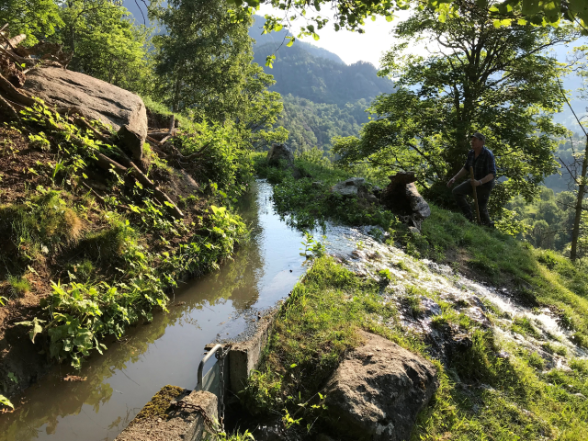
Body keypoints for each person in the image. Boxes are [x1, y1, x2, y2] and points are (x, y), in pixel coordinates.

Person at [446, 133, 496, 225]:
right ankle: (468, 216)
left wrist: (479, 182)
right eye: (472, 140)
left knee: (481, 207)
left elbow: (492, 174)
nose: (472, 142)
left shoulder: (488, 154)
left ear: (482, 142)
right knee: (457, 192)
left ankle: (488, 226)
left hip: (485, 184)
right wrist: (454, 178)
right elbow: (466, 168)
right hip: (473, 181)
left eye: (475, 140)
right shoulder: (471, 153)